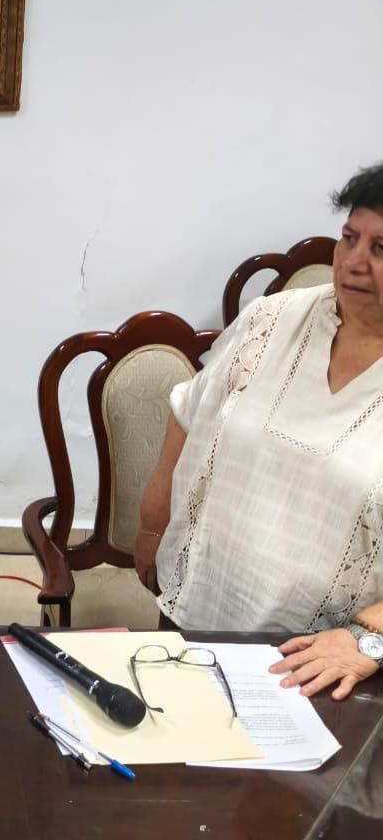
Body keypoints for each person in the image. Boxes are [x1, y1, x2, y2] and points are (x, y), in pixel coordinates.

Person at [137, 162, 383, 700]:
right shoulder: (271, 319)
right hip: (199, 608)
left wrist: (369, 644)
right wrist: (153, 528)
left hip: (317, 665)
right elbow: (191, 414)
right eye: (349, 238)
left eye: (381, 248)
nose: (355, 263)